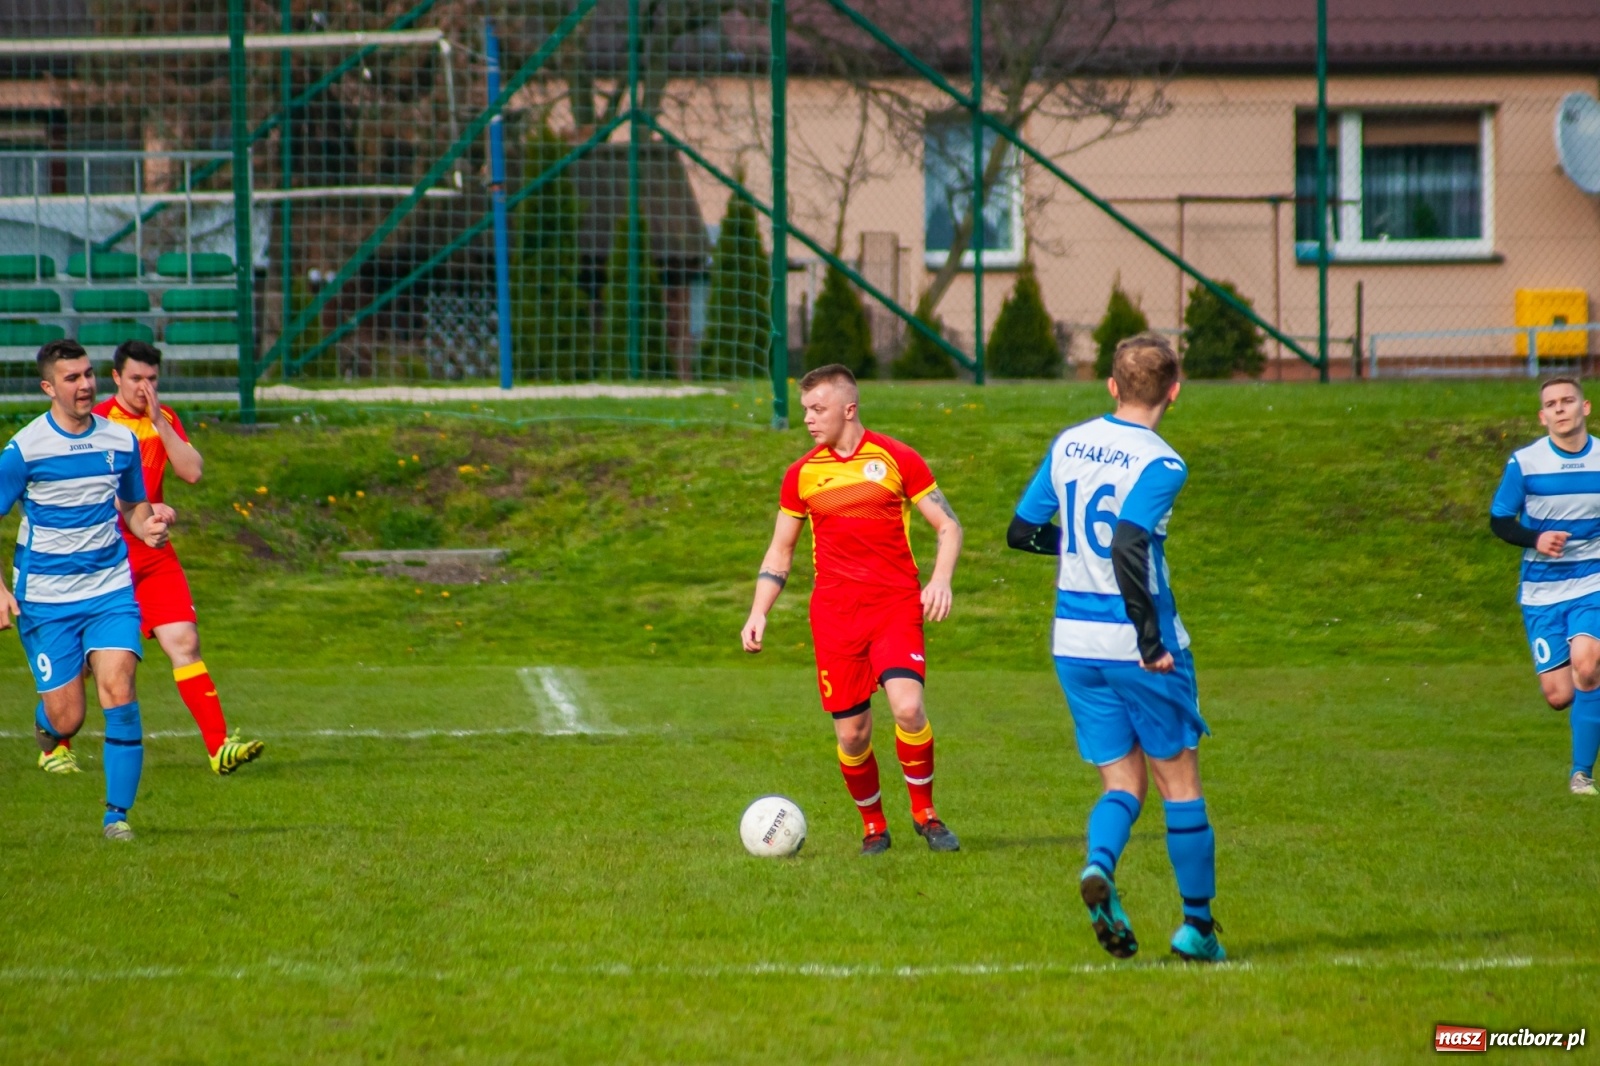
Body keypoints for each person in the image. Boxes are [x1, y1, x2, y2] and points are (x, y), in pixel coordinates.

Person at [1007, 332, 1223, 963]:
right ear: (1174, 391)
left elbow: (1022, 532)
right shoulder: (1163, 463)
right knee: (1178, 782)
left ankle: (1097, 866)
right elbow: (1129, 542)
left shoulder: (1070, 442)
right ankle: (1197, 931)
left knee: (1121, 783)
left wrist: (1073, 548)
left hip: (1074, 642)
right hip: (1139, 647)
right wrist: (1150, 638)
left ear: (1112, 386)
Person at [742, 364, 964, 855]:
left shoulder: (897, 459)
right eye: (804, 410)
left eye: (817, 409)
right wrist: (759, 611)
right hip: (836, 617)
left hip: (894, 607)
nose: (808, 419)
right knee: (853, 733)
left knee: (908, 707)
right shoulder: (801, 475)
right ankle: (873, 827)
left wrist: (940, 579)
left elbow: (948, 526)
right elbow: (781, 552)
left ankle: (925, 815)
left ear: (849, 408)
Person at [41, 340, 264, 776]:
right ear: (117, 379)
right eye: (137, 379)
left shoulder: (162, 420)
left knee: (185, 642)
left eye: (153, 379)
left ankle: (219, 749)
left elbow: (193, 471)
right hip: (105, 555)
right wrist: (141, 510)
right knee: (91, 664)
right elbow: (83, 494)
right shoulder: (97, 422)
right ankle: (54, 745)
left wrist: (160, 421)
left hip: (154, 553)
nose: (146, 387)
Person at [0, 339, 169, 840]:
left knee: (119, 687)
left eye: (89, 374)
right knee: (68, 716)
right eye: (71, 378)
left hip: (109, 589)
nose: (85, 385)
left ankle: (117, 816)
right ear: (48, 387)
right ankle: (49, 721)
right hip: (46, 600)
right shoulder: (24, 450)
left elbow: (134, 509)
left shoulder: (120, 441)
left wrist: (149, 528)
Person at [1489, 375, 1600, 797]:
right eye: (1551, 403)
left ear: (1584, 408)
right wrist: (1535, 539)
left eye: (1567, 400)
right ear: (1542, 416)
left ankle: (1581, 775)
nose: (1559, 408)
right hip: (1542, 590)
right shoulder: (1526, 463)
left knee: (1587, 665)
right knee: (1559, 695)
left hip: (1593, 579)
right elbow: (1499, 520)